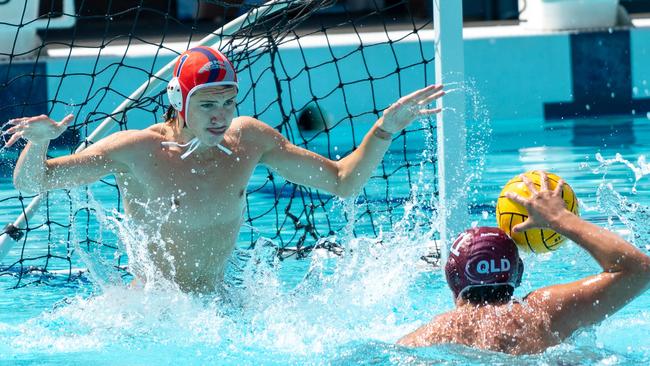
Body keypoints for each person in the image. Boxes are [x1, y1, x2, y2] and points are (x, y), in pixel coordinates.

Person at [6, 46, 444, 293]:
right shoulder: (136, 150)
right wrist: (39, 142)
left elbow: (342, 182)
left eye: (228, 103)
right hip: (154, 314)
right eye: (208, 104)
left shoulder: (247, 140)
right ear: (179, 102)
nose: (220, 116)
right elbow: (33, 183)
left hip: (224, 306)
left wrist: (385, 129)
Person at [398, 171, 650, 355]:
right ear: (518, 273)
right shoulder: (546, 312)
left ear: (452, 278)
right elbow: (639, 271)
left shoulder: (427, 336)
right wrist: (560, 218)